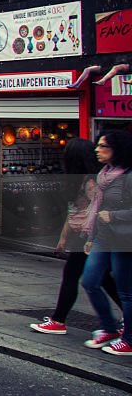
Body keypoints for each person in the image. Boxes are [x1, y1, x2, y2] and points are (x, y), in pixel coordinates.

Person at [31, 138, 120, 335]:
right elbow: (74, 213)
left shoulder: (91, 181)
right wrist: (63, 238)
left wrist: (88, 237)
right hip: (88, 235)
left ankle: (59, 320)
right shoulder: (85, 179)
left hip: (90, 236)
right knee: (103, 278)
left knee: (75, 276)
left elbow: (95, 210)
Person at [80, 131, 132, 354]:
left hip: (123, 238)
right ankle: (110, 327)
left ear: (116, 150)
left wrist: (115, 216)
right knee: (90, 281)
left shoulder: (128, 177)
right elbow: (99, 209)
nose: (97, 150)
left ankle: (129, 339)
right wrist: (91, 237)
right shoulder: (104, 174)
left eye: (103, 146)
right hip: (103, 237)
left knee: (126, 292)